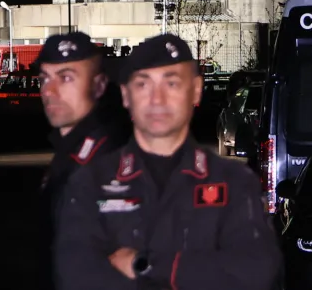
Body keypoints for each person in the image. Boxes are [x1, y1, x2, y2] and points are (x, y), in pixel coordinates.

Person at [54, 33, 281, 290]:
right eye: (143, 84)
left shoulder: (234, 183)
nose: (157, 99)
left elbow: (256, 271)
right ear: (126, 95)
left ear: (196, 91)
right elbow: (75, 274)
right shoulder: (90, 184)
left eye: (171, 83)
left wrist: (148, 264)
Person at [34, 32, 130, 288]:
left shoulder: (109, 159)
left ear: (98, 86)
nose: (50, 90)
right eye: (45, 78)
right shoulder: (70, 151)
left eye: (66, 77)